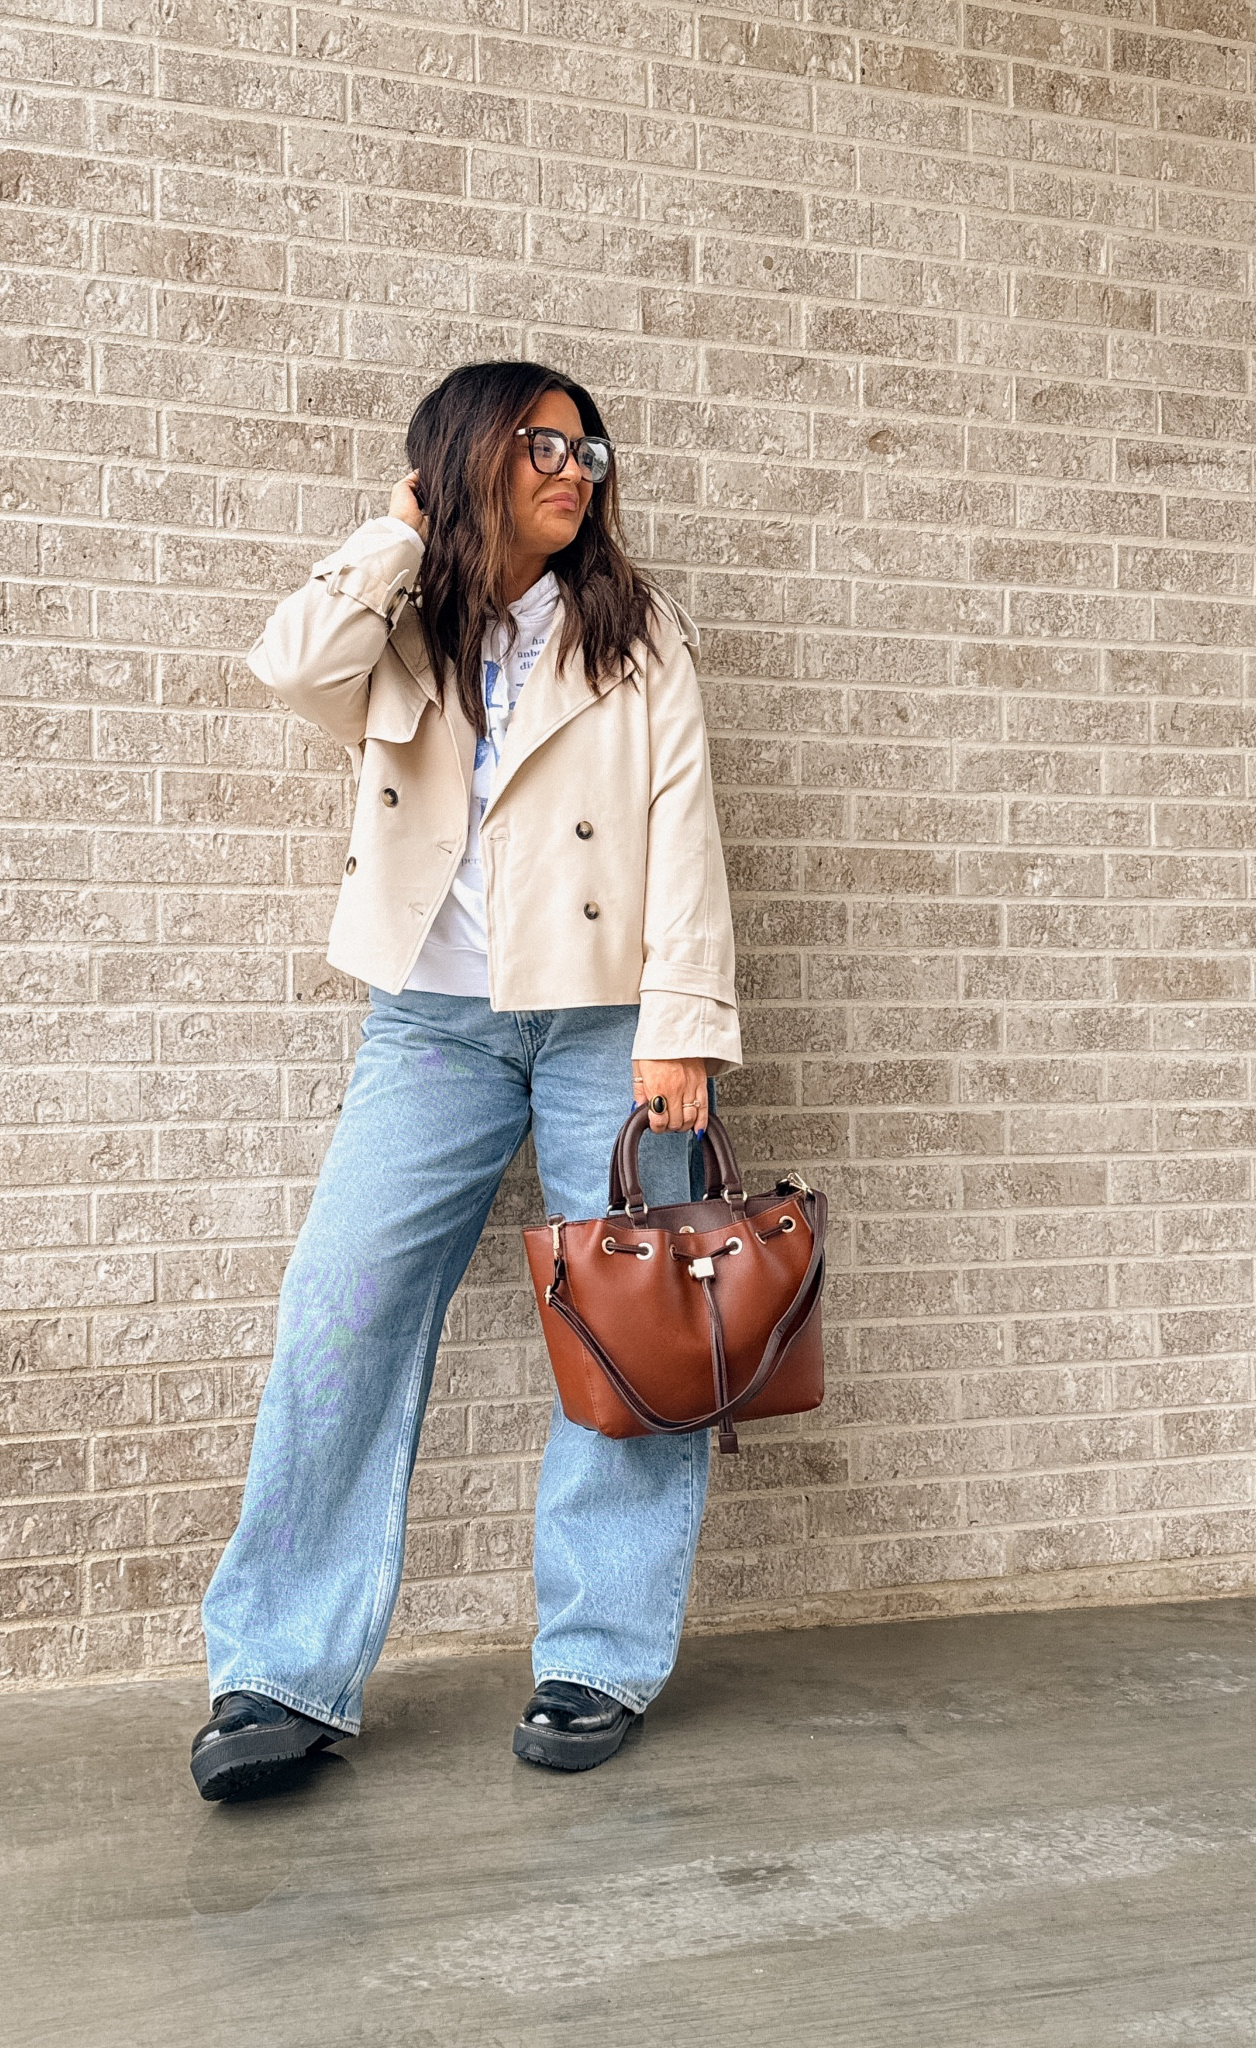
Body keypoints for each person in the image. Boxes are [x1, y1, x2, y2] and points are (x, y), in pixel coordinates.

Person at [191, 360, 741, 1798]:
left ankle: (598, 1654)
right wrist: (402, 529)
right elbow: (284, 662)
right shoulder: (400, 625)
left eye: (592, 446)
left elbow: (684, 832)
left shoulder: (637, 633)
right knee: (341, 1311)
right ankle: (279, 1675)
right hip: (429, 1026)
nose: (578, 467)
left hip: (610, 1027)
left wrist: (680, 1026)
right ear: (466, 455)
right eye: (543, 442)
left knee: (630, 1330)